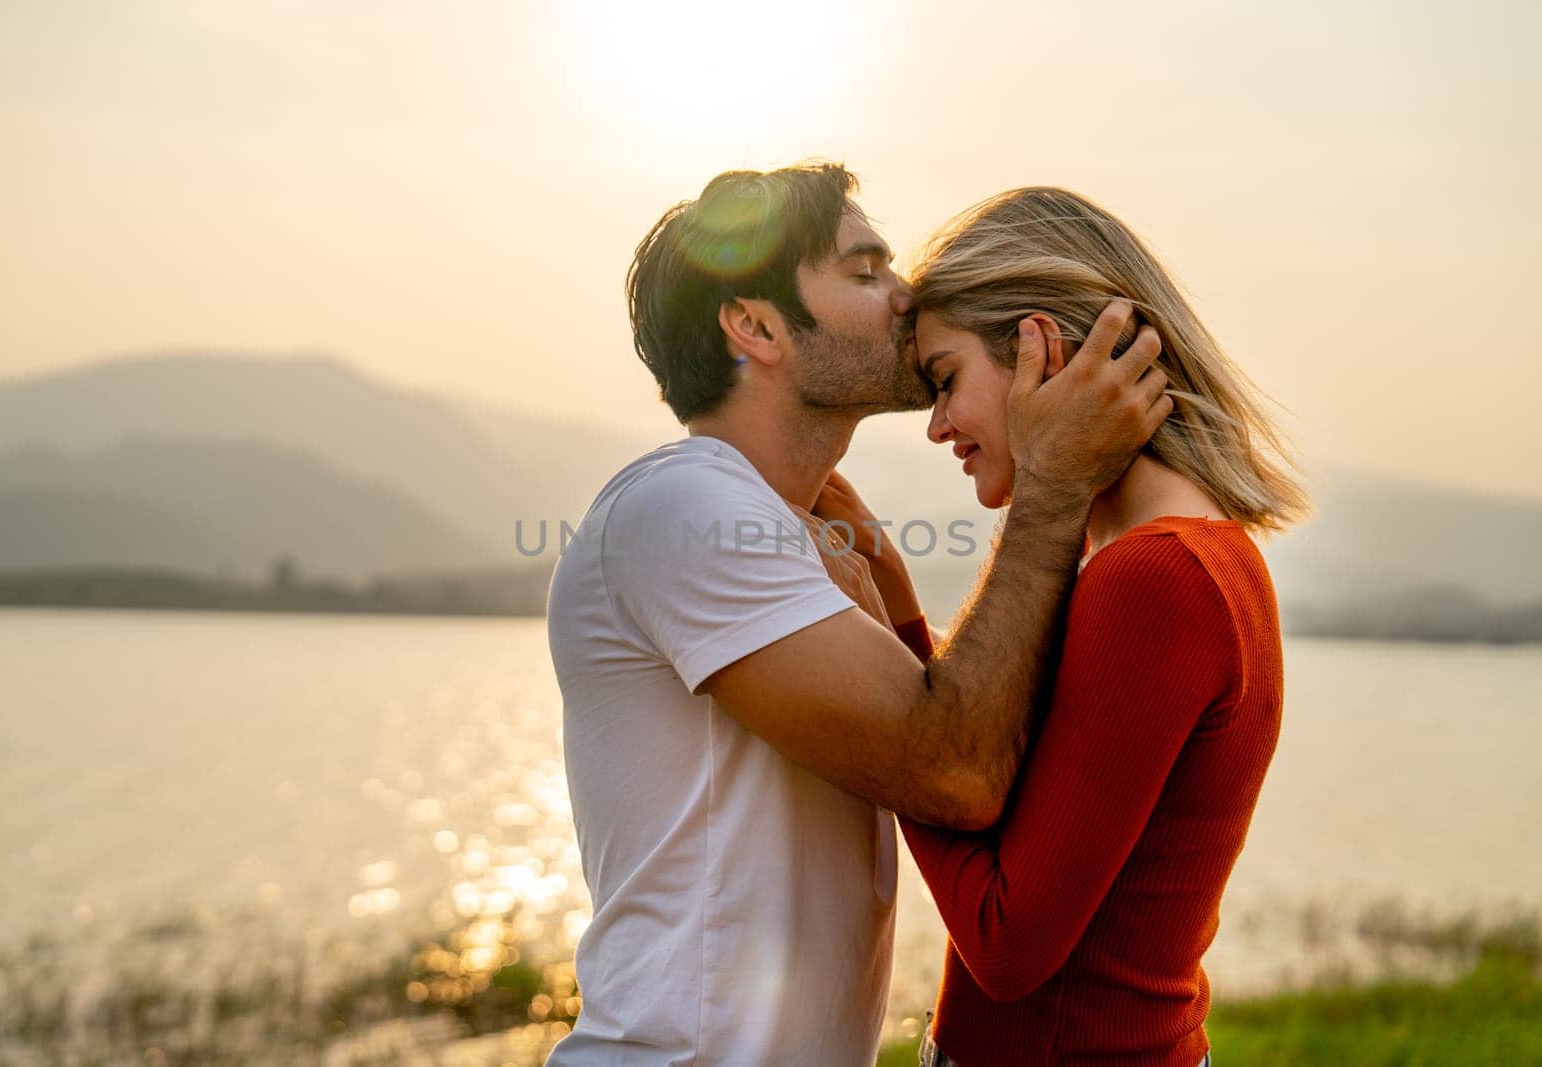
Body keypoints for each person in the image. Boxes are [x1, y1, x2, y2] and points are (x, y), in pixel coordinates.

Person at [544, 164, 1172, 1064]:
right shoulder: (684, 508)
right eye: (865, 269)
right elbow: (954, 763)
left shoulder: (792, 531)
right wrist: (1052, 482)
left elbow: (973, 721)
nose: (906, 294)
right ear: (755, 326)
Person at [824, 186, 1308, 1066]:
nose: (937, 425)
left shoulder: (1155, 581)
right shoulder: (1202, 555)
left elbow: (1007, 942)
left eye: (944, 380)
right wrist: (897, 593)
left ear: (1043, 350)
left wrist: (891, 674)